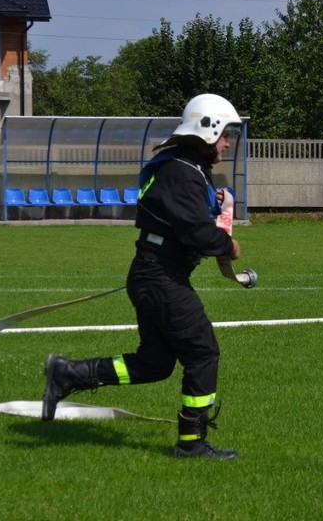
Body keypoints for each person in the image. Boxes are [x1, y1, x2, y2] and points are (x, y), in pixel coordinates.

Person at [41, 94, 244, 460]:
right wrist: (228, 246)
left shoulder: (182, 167)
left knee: (155, 363)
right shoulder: (182, 172)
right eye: (226, 134)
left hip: (154, 274)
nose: (228, 143)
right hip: (161, 277)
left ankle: (69, 373)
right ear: (208, 129)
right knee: (202, 352)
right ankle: (191, 443)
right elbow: (198, 234)